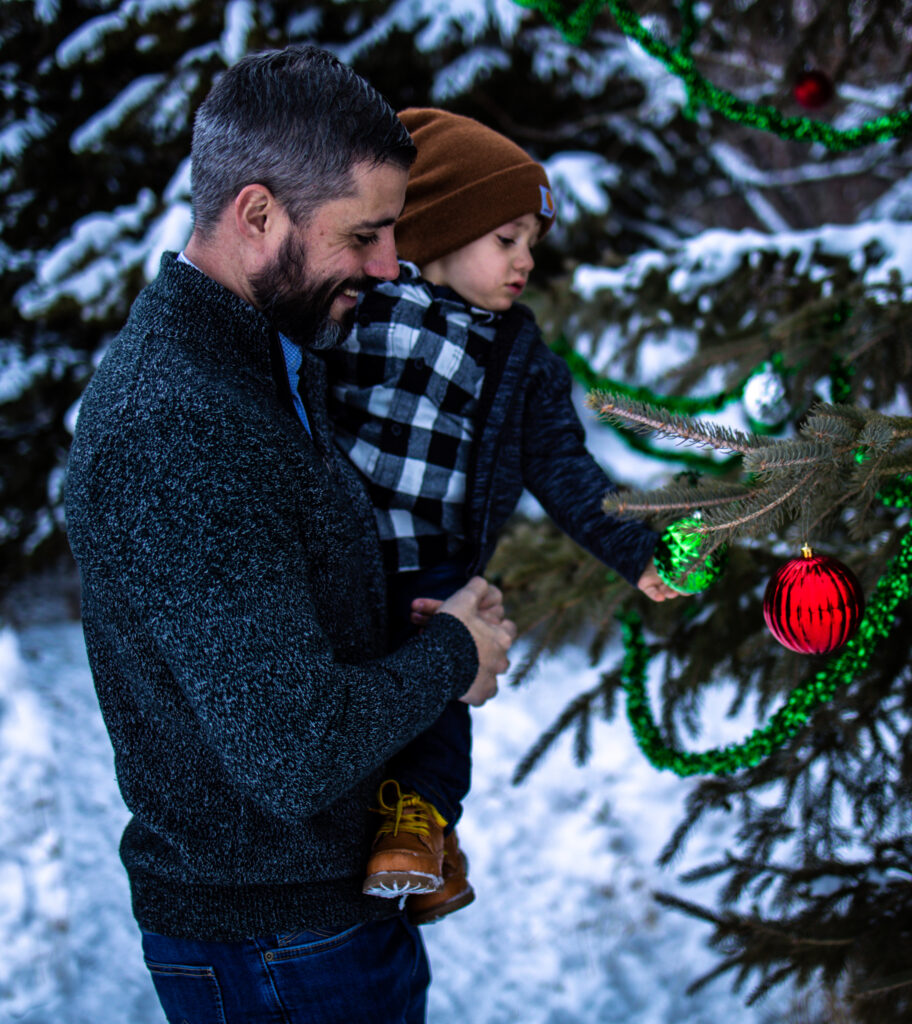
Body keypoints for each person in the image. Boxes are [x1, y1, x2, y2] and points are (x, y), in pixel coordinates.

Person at [64, 49, 516, 1024]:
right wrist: (454, 654)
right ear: (257, 214)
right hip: (274, 950)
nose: (391, 265)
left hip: (319, 923)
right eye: (366, 233)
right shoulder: (178, 423)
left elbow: (287, 607)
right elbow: (295, 751)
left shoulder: (275, 349)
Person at [324, 107, 682, 925]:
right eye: (505, 239)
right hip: (339, 556)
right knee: (349, 706)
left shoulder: (521, 362)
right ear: (444, 228)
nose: (524, 261)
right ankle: (412, 846)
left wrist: (635, 550)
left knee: (443, 705)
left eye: (531, 245)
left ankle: (421, 830)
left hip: (434, 566)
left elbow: (565, 468)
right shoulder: (360, 308)